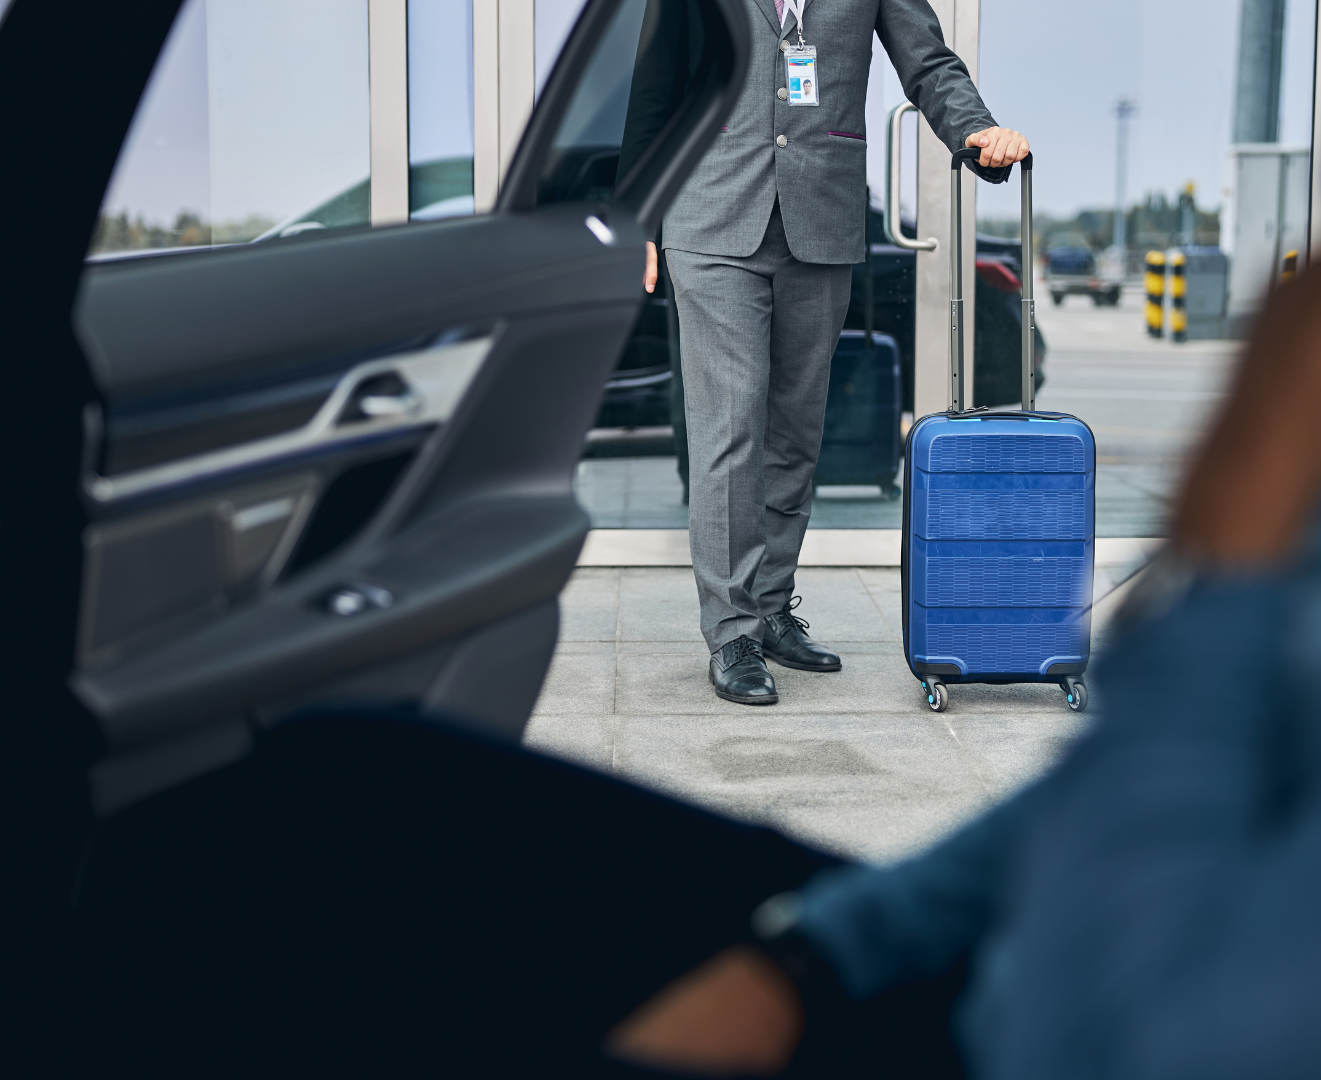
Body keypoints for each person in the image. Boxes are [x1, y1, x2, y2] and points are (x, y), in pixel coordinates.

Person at [605, 264, 1321, 1077]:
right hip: (1029, 953)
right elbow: (1082, 799)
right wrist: (809, 956)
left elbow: (1109, 1039)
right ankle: (744, 623)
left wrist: (1231, 569)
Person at [631, 0, 1029, 705]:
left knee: (795, 431)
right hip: (711, 214)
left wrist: (975, 129)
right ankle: (731, 632)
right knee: (730, 426)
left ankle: (770, 605)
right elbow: (655, 80)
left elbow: (927, 61)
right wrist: (637, 216)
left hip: (820, 212)